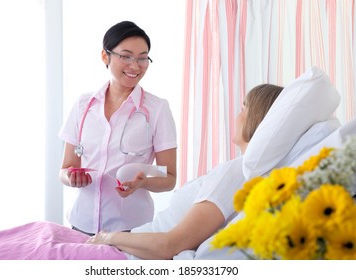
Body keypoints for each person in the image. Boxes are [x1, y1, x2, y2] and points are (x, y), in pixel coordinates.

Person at [85, 83, 284, 260]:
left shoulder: (237, 173)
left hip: (130, 253)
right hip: (131, 244)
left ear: (257, 118)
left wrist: (109, 237)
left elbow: (168, 245)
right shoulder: (242, 171)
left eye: (243, 108)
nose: (237, 115)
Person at [58, 21, 177, 235]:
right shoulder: (83, 106)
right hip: (80, 225)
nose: (136, 65)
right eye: (126, 56)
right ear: (105, 56)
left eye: (142, 57)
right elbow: (66, 168)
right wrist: (72, 177)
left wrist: (142, 183)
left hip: (130, 230)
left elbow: (169, 177)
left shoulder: (157, 109)